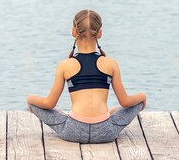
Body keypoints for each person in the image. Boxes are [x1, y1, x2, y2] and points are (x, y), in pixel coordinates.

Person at [26, 9, 146, 144]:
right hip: (105, 132)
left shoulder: (65, 65)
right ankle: (107, 115)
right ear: (99, 34)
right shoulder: (111, 64)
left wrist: (30, 99)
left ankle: (74, 116)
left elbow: (49, 104)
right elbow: (125, 102)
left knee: (36, 106)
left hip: (73, 131)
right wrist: (142, 97)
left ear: (73, 32)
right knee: (135, 105)